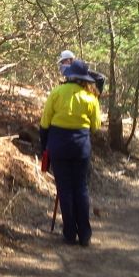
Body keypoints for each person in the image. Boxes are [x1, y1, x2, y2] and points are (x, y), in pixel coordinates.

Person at [39, 59, 101, 247]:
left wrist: (45, 147)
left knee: (64, 189)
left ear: (69, 75)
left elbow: (44, 123)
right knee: (80, 188)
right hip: (81, 147)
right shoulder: (91, 98)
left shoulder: (56, 93)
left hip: (58, 146)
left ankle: (69, 233)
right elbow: (95, 127)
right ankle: (85, 234)